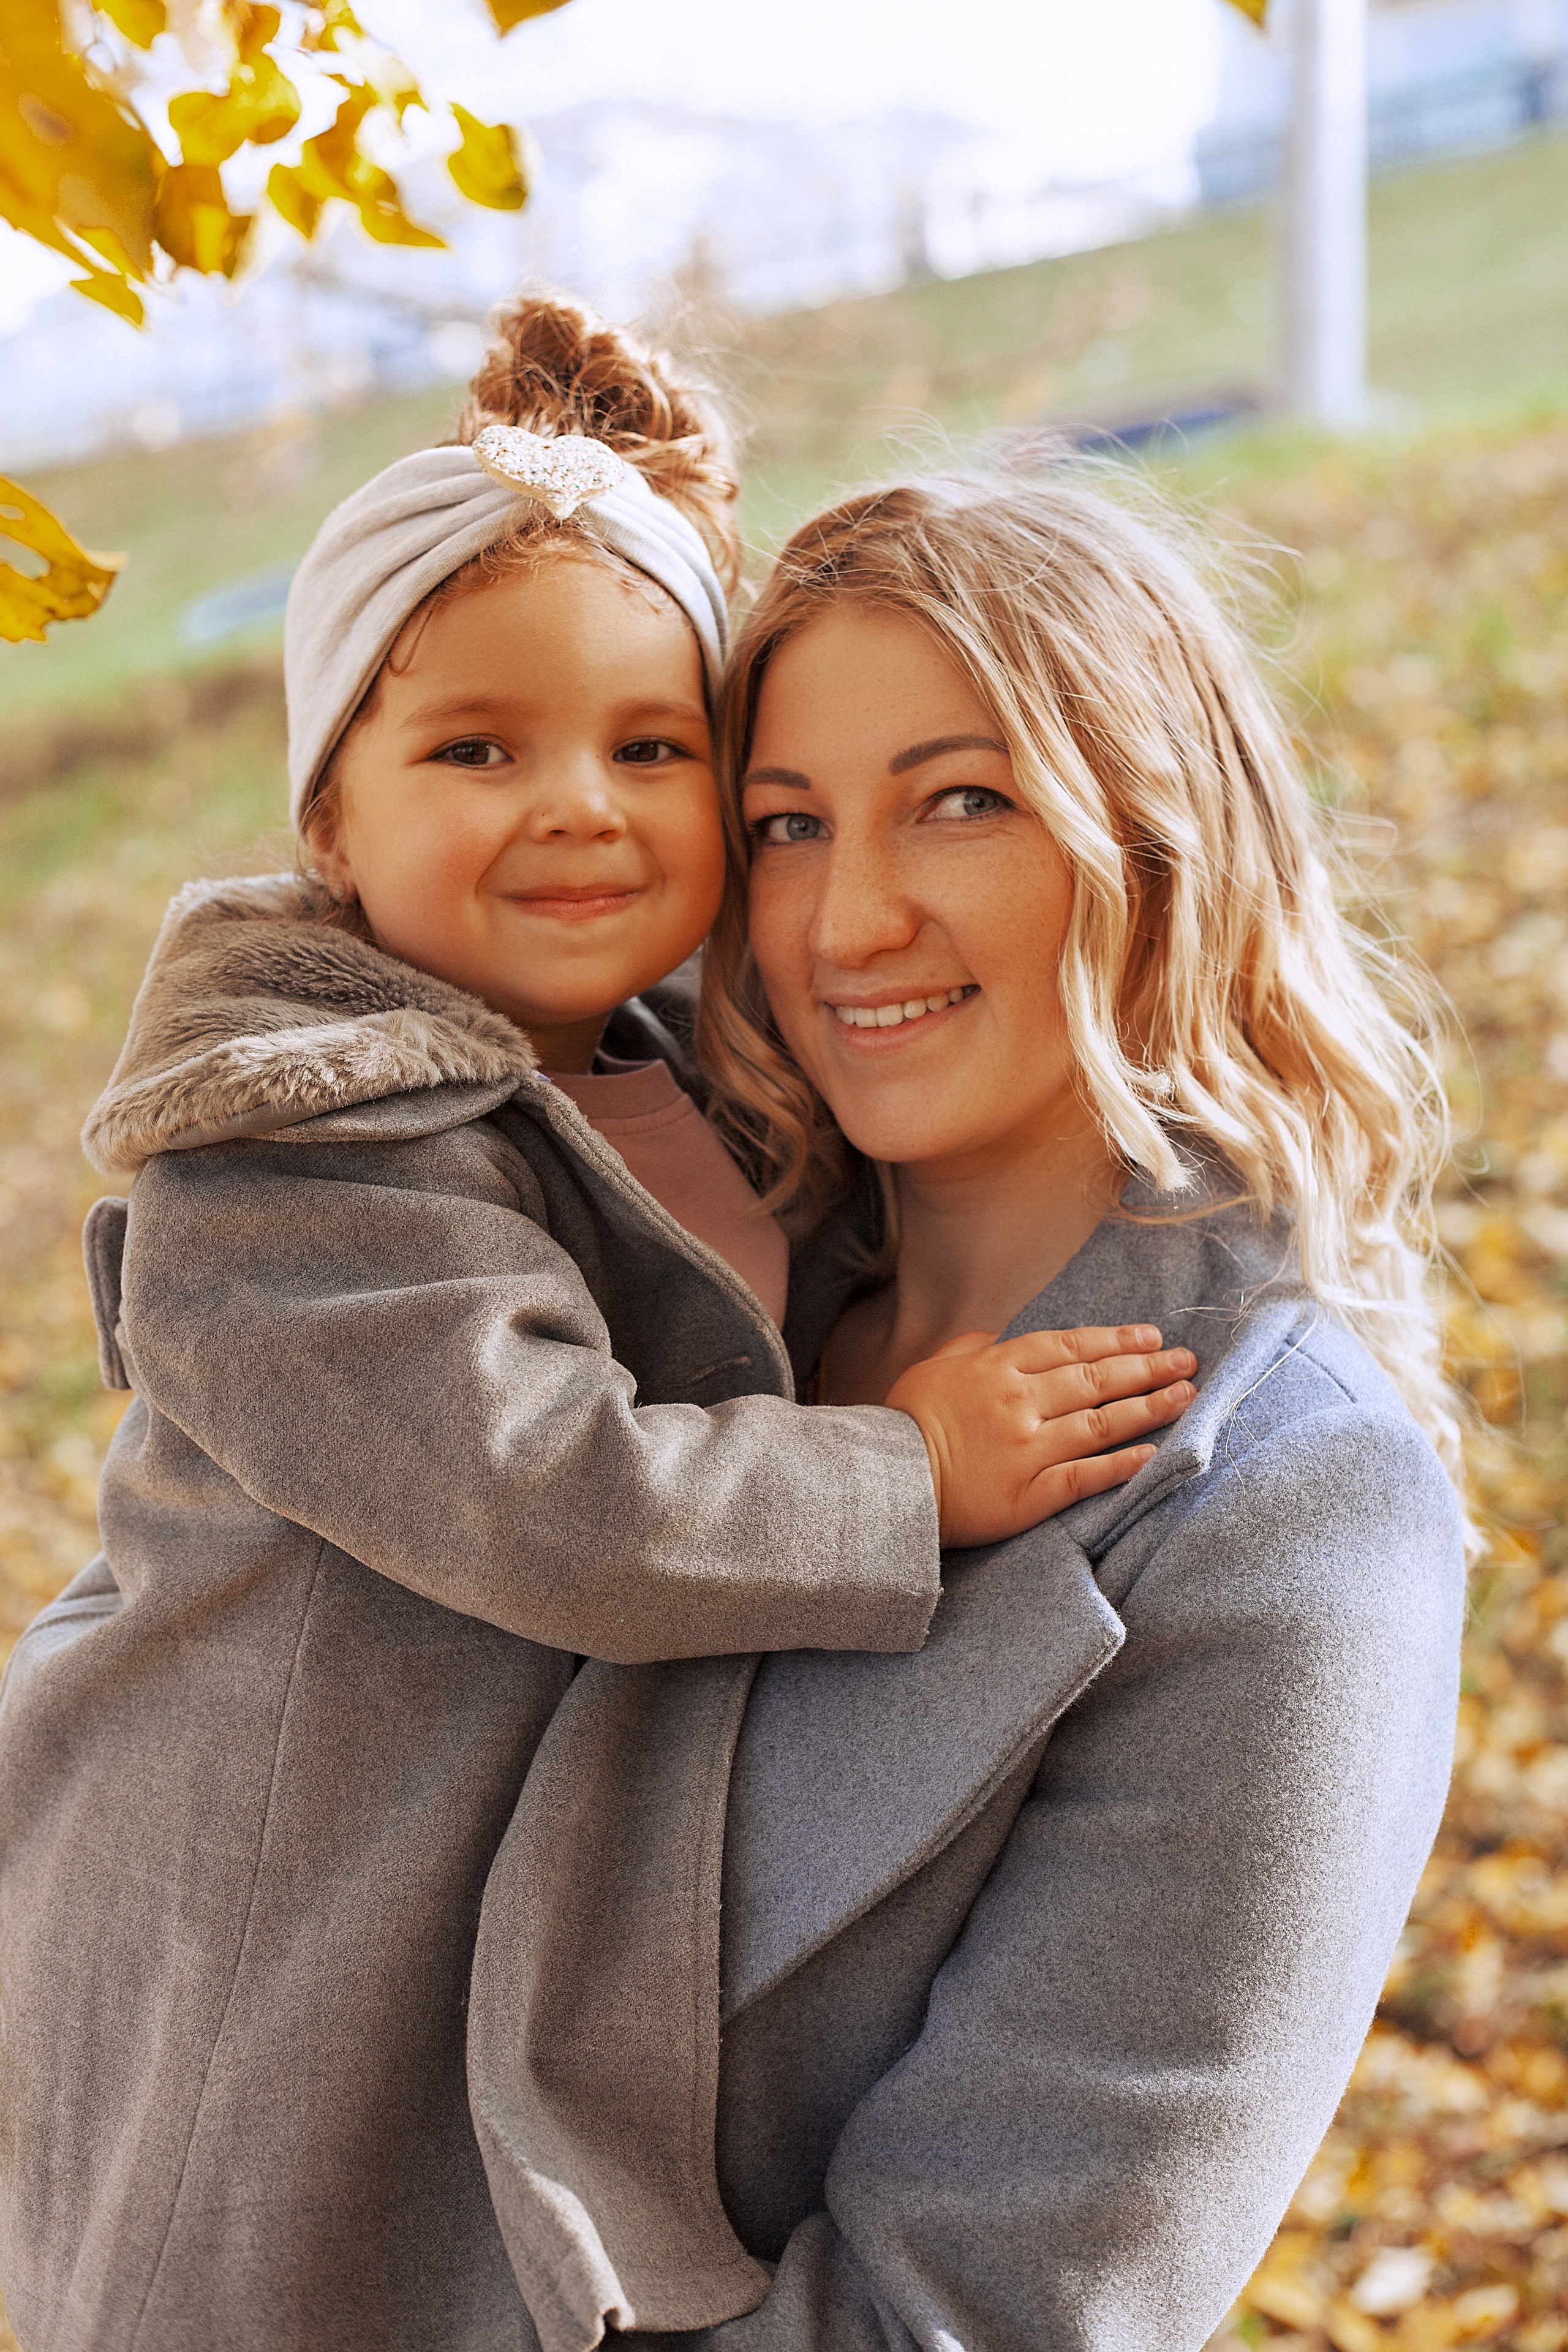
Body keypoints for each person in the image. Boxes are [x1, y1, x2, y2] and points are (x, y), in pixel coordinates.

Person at [0, 311, 1192, 2352]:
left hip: (472, 1874)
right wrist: (902, 1468)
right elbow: (540, 1483)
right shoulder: (294, 1156)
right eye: (478, 748)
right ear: (333, 823)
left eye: (653, 750)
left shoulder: (674, 1072)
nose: (581, 808)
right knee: (242, 2269)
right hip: (254, 1894)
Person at [462, 469, 1469, 2352]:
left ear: (1161, 840)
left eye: (962, 799)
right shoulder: (641, 1308)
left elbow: (971, 2317)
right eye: (785, 824)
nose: (847, 921)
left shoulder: (1289, 1518)